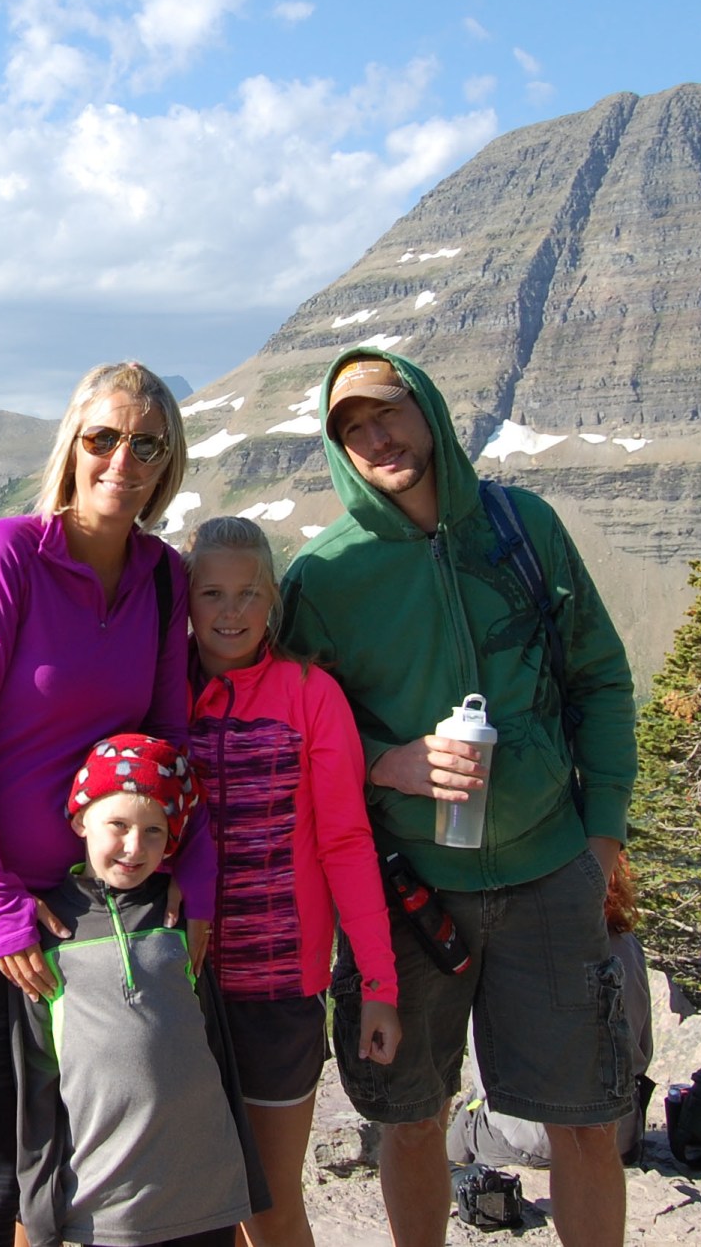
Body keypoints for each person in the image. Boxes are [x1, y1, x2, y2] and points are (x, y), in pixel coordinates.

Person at [280, 349, 638, 1247]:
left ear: (427, 410)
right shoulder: (325, 577)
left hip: (550, 869)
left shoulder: (525, 529)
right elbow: (283, 728)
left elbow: (601, 681)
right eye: (351, 429)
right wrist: (384, 762)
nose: (376, 438)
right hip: (405, 890)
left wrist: (601, 838)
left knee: (587, 1121)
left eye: (387, 414)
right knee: (410, 1118)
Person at [0, 360, 211, 1247]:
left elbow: (168, 747)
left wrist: (192, 870)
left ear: (168, 460)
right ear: (74, 445)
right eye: (104, 437)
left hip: (85, 911)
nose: (124, 458)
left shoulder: (163, 579)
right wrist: (0, 906)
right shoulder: (9, 555)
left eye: (146, 443)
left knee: (77, 1159)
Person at [183, 515, 401, 1247]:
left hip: (280, 991)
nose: (232, 611)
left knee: (270, 1207)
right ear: (188, 599)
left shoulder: (310, 695)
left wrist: (379, 985)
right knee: (195, 1208)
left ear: (273, 598)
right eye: (213, 593)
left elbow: (345, 842)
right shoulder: (167, 697)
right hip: (181, 987)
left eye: (249, 594)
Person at [15, 734, 251, 1247]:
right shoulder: (48, 930)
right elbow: (37, 1081)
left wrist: (243, 1173)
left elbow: (214, 1050)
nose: (133, 847)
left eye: (153, 832)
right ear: (80, 820)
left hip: (205, 1197)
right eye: (117, 825)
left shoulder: (178, 918)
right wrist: (38, 1212)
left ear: (171, 841)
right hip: (105, 1208)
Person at [447, 850, 656, 1169]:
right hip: (617, 1136)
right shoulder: (625, 945)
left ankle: (450, 1182)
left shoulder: (505, 943)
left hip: (525, 1140)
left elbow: (484, 1063)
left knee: (465, 1119)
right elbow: (641, 1052)